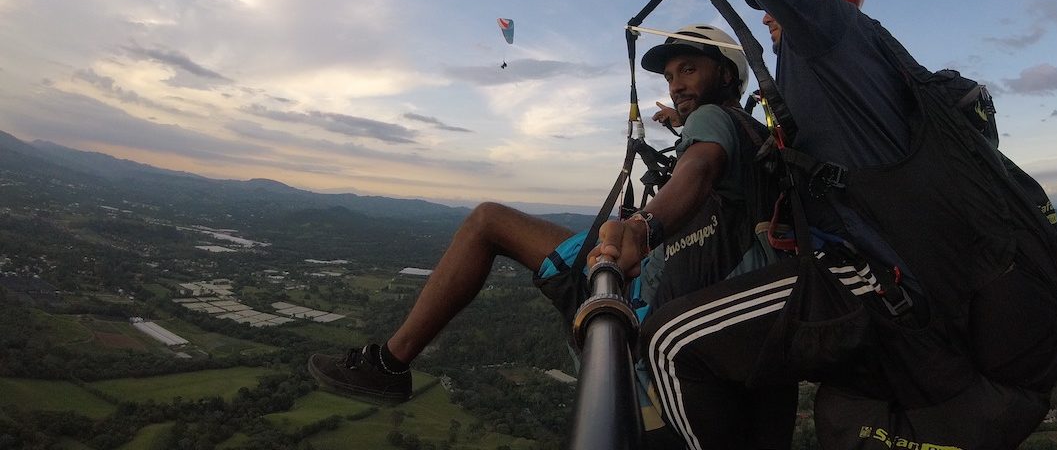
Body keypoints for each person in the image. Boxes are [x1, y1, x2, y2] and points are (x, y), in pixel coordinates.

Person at [626, 0, 1057, 450]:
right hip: (903, 288)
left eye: (774, 0)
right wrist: (693, 119)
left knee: (671, 342)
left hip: (871, 282)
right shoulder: (850, 72)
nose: (765, 13)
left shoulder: (824, 35)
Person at [308, 25, 788, 441]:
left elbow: (699, 168)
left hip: (645, 287)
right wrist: (675, 119)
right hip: (682, 283)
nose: (676, 84)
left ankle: (389, 365)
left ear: (726, 74)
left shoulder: (711, 123)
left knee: (487, 222)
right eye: (668, 76)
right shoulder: (747, 131)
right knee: (492, 222)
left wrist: (642, 228)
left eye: (688, 70)